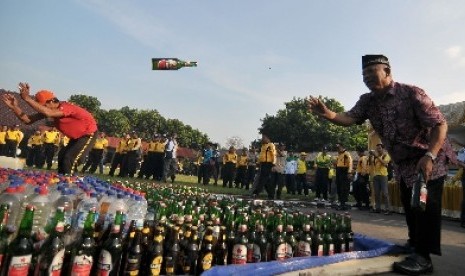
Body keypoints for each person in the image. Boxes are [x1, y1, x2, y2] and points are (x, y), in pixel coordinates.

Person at [307, 54, 455, 275]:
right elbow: (348, 118)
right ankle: (414, 245)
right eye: (363, 74)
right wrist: (328, 114)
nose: (366, 77)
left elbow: (440, 124)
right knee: (409, 203)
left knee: (424, 205)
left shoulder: (412, 93)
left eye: (371, 72)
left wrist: (431, 156)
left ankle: (424, 258)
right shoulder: (368, 101)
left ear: (387, 71)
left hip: (428, 157)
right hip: (403, 163)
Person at [2, 83, 98, 175]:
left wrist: (27, 99)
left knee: (70, 158)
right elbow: (27, 120)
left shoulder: (66, 107)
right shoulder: (51, 110)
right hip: (76, 137)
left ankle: (70, 183)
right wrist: (14, 107)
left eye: (44, 106)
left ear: (52, 101)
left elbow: (49, 113)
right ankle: (62, 181)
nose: (42, 108)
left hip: (88, 134)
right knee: (62, 157)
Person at [252, 134, 276, 198]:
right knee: (266, 180)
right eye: (262, 137)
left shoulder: (271, 145)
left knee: (263, 178)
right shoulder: (263, 146)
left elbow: (273, 154)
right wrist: (258, 162)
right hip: (263, 163)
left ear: (268, 138)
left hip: (268, 163)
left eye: (264, 137)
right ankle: (271, 194)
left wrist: (273, 164)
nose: (262, 139)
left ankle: (256, 192)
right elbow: (261, 155)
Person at [371, 143, 392, 215]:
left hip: (383, 175)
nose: (378, 150)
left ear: (383, 148)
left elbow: (384, 163)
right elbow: (372, 164)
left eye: (379, 148)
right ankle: (378, 208)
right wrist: (372, 156)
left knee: (385, 193)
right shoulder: (375, 157)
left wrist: (377, 157)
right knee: (377, 193)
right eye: (377, 149)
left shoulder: (386, 155)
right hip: (376, 175)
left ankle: (388, 209)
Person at [335, 143, 353, 210]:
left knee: (344, 187)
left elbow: (350, 163)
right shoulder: (339, 155)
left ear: (342, 147)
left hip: (344, 171)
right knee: (339, 187)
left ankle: (343, 203)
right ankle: (340, 202)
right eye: (337, 148)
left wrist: (349, 172)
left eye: (338, 148)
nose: (337, 149)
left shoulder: (346, 154)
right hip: (339, 171)